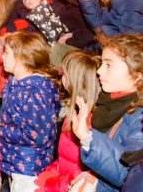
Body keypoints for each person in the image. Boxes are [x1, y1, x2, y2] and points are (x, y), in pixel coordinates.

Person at [0, 32, 61, 192]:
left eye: (7, 53)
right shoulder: (17, 82)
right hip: (15, 160)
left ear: (21, 58)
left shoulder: (33, 92)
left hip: (28, 167)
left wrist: (1, 130)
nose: (2, 57)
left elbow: (37, 134)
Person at [72, 34, 143, 192]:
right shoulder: (111, 104)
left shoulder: (139, 117)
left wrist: (87, 138)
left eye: (109, 65)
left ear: (136, 76)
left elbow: (131, 173)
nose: (99, 71)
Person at [35, 50, 102, 192]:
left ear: (74, 79)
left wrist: (51, 184)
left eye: (63, 73)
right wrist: (51, 171)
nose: (61, 77)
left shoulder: (88, 121)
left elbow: (81, 172)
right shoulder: (73, 111)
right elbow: (66, 158)